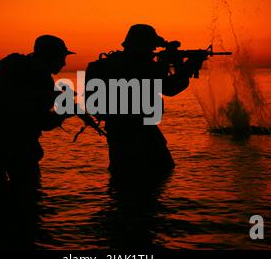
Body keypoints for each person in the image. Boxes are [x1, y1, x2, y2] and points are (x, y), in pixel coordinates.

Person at [0, 35, 75, 217]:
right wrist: (65, 111)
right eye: (61, 58)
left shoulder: (13, 66)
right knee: (27, 201)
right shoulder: (41, 80)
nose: (64, 64)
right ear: (50, 56)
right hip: (18, 148)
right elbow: (43, 122)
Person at [85, 24, 202, 180]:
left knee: (123, 187)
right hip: (143, 137)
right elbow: (171, 88)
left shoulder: (104, 66)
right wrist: (186, 67)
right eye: (150, 49)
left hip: (118, 137)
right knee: (155, 178)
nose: (151, 53)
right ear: (143, 46)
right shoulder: (139, 68)